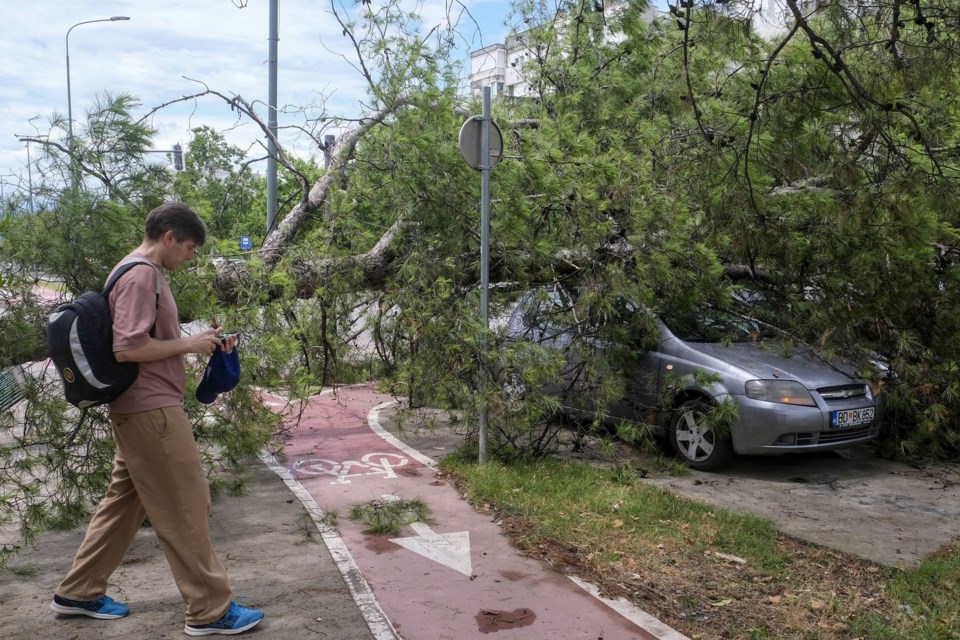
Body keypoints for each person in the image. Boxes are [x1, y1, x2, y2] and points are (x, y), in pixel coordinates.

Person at [49, 202, 264, 636]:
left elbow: (142, 339)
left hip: (140, 410)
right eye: (189, 248)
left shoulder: (133, 269)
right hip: (151, 411)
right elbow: (127, 348)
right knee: (186, 505)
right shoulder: (143, 273)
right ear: (168, 237)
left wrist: (197, 340)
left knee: (123, 505)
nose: (191, 256)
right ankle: (209, 610)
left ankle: (79, 591)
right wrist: (189, 346)